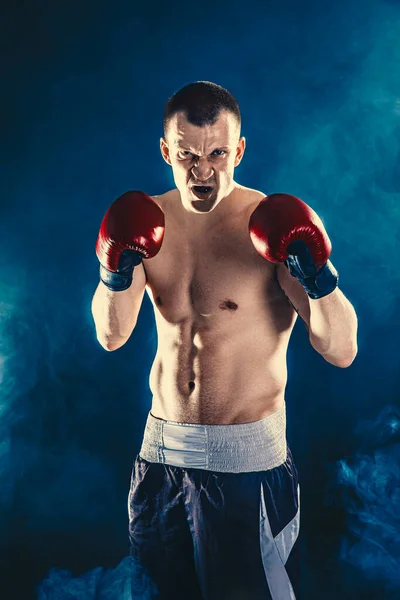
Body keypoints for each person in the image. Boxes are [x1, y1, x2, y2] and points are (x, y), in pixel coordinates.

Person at [91, 81, 358, 600]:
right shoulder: (147, 222)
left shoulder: (270, 225)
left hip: (246, 470)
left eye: (217, 153)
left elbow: (342, 350)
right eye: (188, 154)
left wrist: (318, 276)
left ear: (239, 150)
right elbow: (111, 336)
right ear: (166, 150)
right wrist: (115, 274)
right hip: (159, 464)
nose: (203, 170)